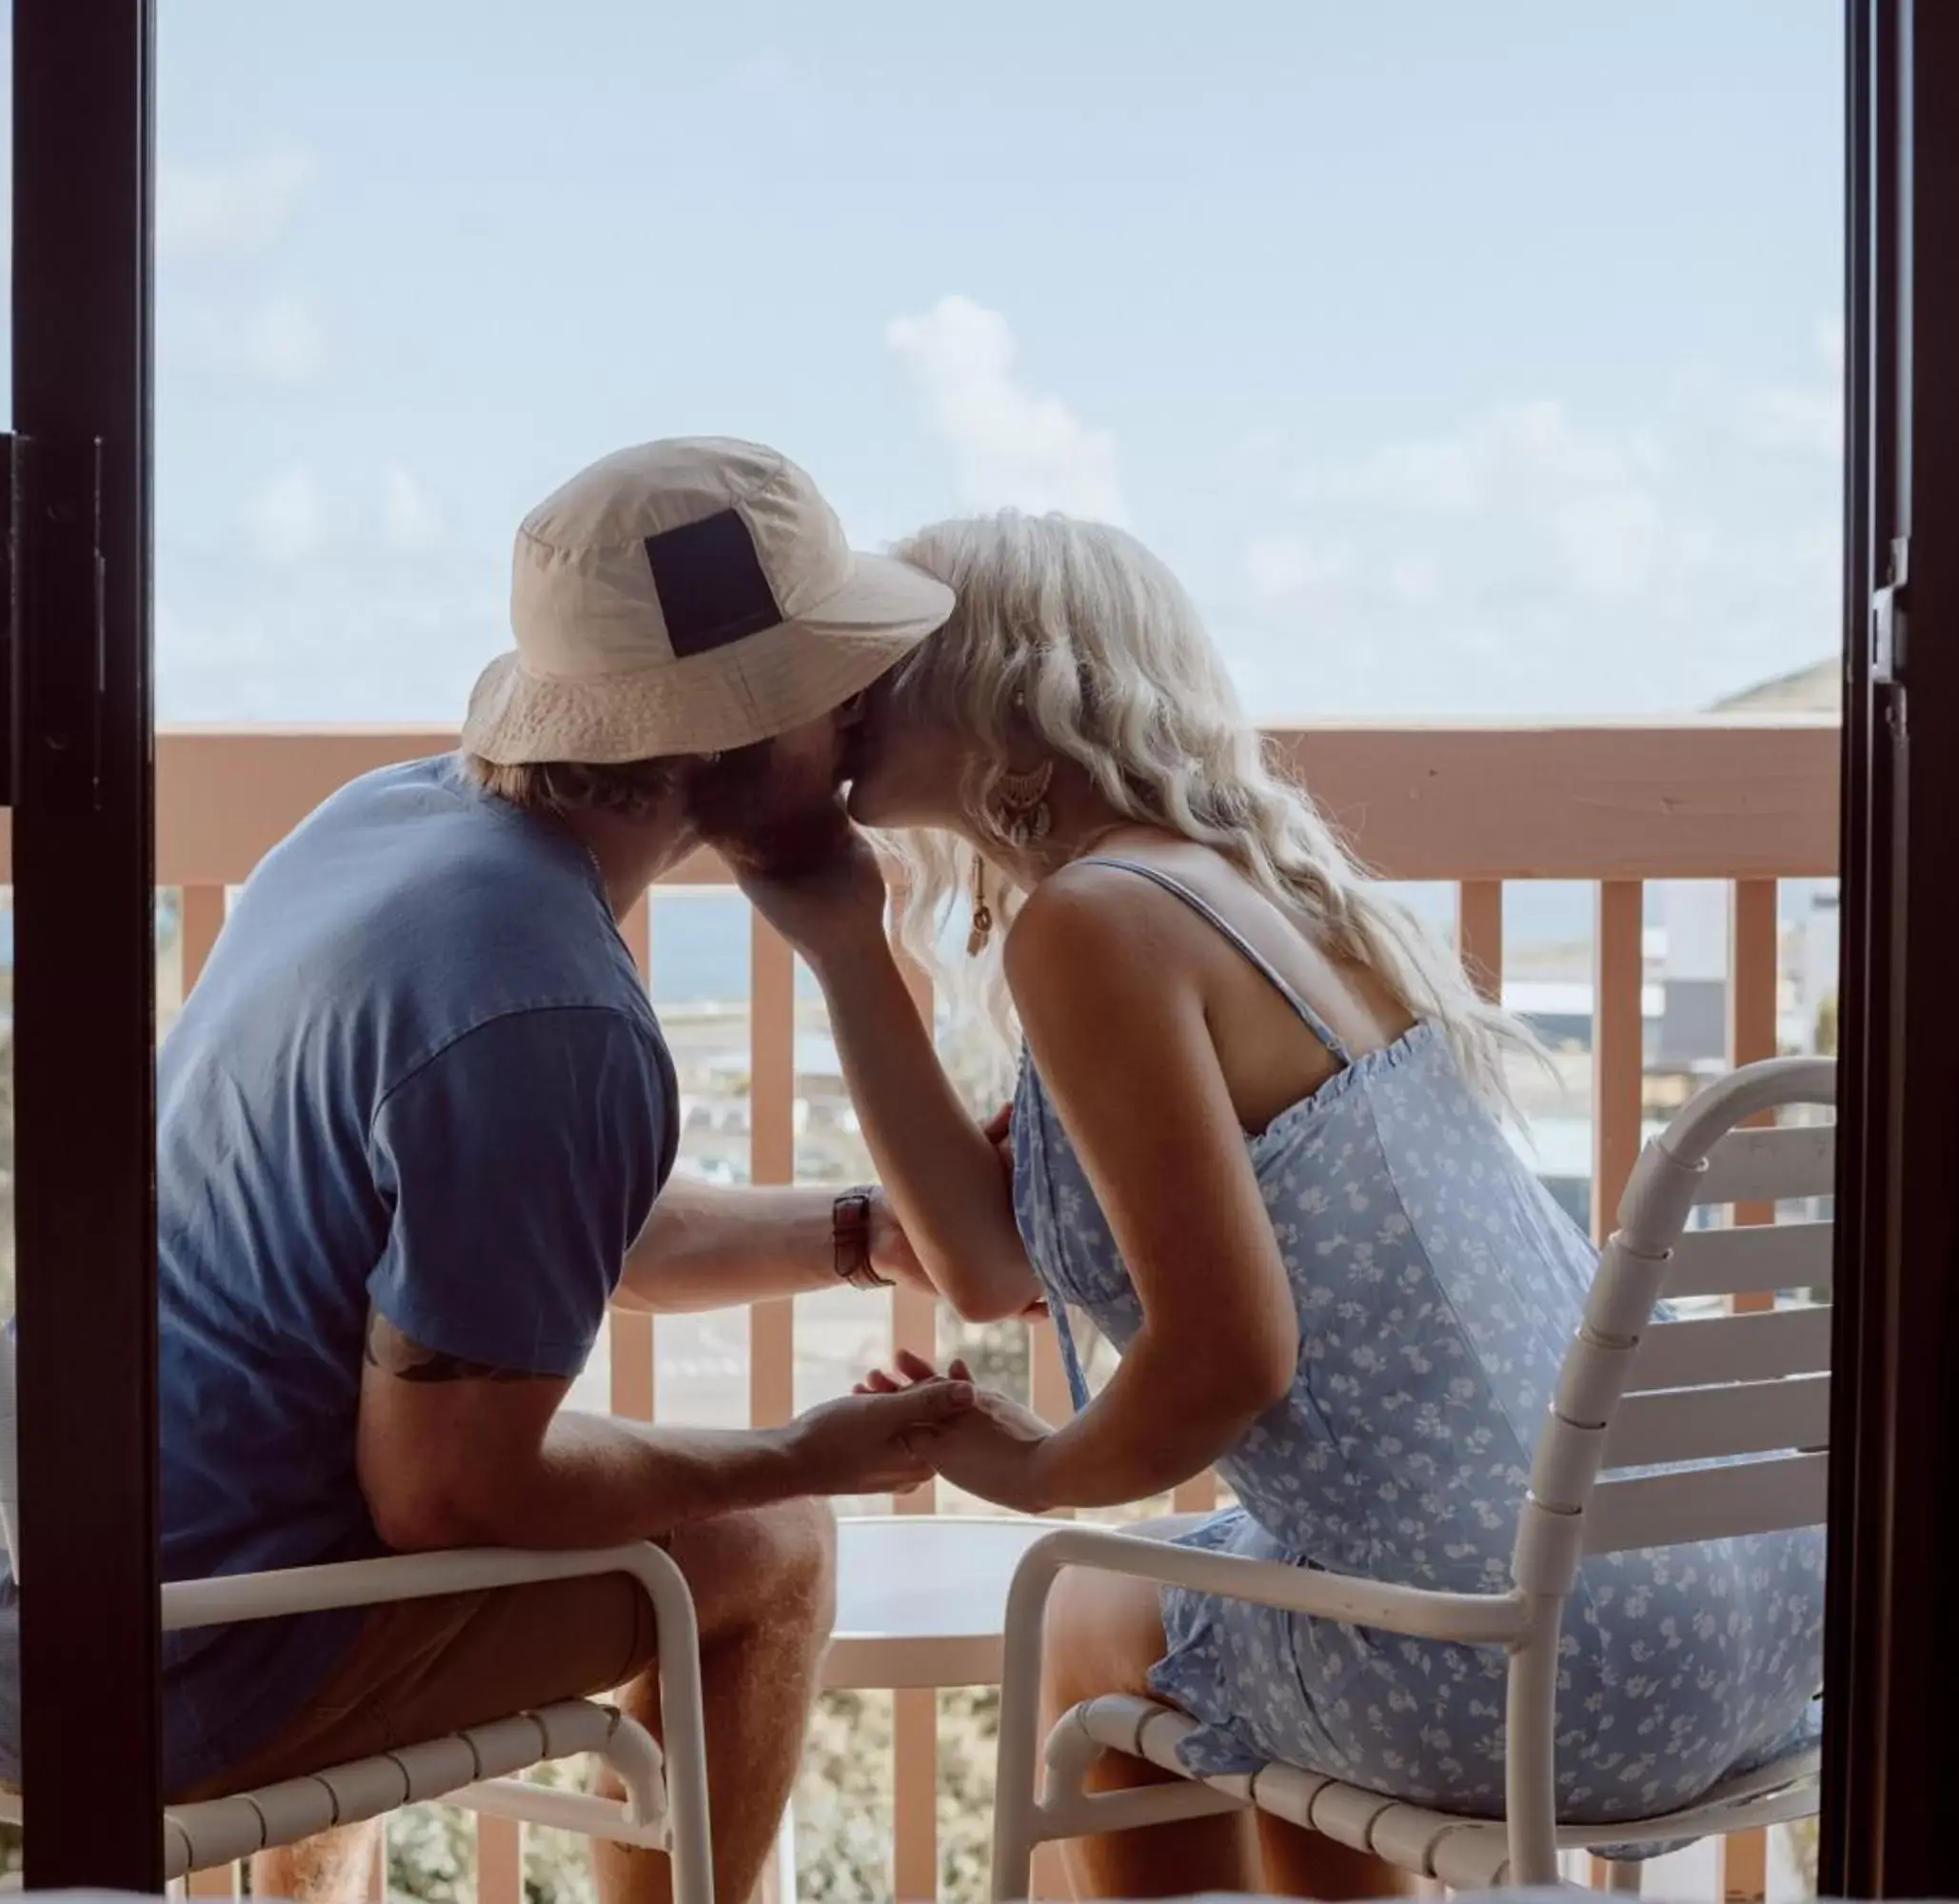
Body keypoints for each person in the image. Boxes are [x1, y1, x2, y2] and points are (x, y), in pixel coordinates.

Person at [738, 510, 1827, 1899]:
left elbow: (1229, 1358)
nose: (840, 696)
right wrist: (844, 944)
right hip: (1729, 1615)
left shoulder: (1097, 923)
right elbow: (982, 1263)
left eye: (877, 660)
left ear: (994, 677)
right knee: (1258, 1593)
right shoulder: (1256, 897)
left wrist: (1031, 1469)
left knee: (1086, 1607)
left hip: (1536, 1661)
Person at [0, 438, 979, 1904]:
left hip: (11, 1609)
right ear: (734, 731)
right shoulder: (551, 1007)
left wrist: (862, 1236)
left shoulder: (380, 826)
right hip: (168, 1675)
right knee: (774, 1550)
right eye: (838, 687)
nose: (866, 725)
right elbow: (446, 1496)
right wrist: (801, 1457)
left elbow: (510, 1241)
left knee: (396, 1480)